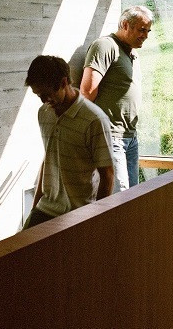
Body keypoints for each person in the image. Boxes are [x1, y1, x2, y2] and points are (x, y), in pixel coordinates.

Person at [23, 55, 115, 229]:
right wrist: (35, 207)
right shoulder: (44, 113)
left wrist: (98, 219)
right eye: (39, 96)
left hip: (80, 211)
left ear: (64, 82)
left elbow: (107, 174)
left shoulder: (94, 119)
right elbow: (49, 158)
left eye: (47, 94)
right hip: (46, 208)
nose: (44, 101)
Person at [80, 6, 154, 191]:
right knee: (117, 197)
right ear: (124, 24)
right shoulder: (105, 46)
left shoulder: (133, 53)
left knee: (132, 195)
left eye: (148, 31)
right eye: (141, 29)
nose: (145, 35)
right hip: (111, 136)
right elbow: (87, 91)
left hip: (130, 136)